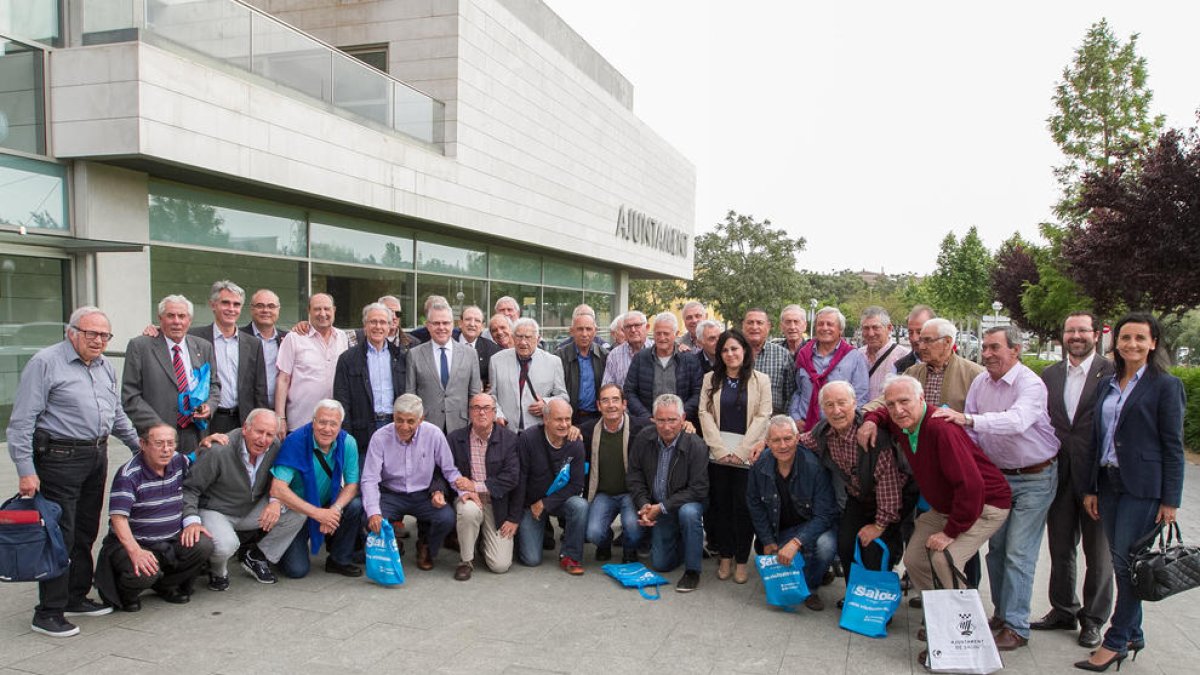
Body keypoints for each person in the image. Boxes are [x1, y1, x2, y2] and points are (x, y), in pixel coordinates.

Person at [6, 307, 141, 636]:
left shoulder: (106, 366)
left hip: (96, 454)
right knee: (59, 535)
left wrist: (139, 446)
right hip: (59, 457)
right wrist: (25, 470)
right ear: (72, 332)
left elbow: (116, 414)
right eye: (91, 333)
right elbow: (22, 421)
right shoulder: (45, 363)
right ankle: (48, 612)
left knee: (85, 530)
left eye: (104, 335)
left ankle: (75, 596)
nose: (98, 341)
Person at [861, 376, 1011, 667]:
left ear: (921, 400)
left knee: (946, 560)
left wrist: (951, 532)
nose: (897, 409)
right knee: (915, 558)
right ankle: (942, 619)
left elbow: (971, 487)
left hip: (984, 505)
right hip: (945, 507)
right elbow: (885, 414)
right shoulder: (904, 422)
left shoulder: (940, 429)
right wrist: (871, 418)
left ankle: (966, 635)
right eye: (891, 404)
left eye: (904, 401)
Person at [931, 325, 1060, 651]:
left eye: (994, 348)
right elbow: (973, 434)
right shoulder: (980, 382)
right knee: (998, 551)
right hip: (999, 479)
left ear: (1015, 351)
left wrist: (969, 420)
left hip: (1035, 477)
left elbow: (1015, 421)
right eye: (984, 348)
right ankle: (1002, 617)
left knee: (1019, 552)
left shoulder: (1031, 384)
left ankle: (1016, 626)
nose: (986, 354)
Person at [1075, 313, 1185, 672]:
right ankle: (1134, 632)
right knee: (1125, 561)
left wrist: (1171, 500)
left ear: (1153, 343)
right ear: (1115, 342)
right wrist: (1090, 487)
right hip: (1108, 483)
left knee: (1124, 566)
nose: (1132, 344)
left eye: (1140, 338)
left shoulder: (1166, 386)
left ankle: (1116, 640)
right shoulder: (1107, 382)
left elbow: (1173, 446)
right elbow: (1097, 438)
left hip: (1143, 488)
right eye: (1125, 338)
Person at [1034, 312, 1115, 649]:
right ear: (1063, 335)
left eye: (1083, 330)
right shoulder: (1049, 374)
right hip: (1059, 473)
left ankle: (1094, 620)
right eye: (1071, 330)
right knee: (1061, 546)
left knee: (1099, 554)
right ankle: (1064, 608)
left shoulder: (1111, 372)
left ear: (1096, 334)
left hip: (1098, 476)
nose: (1076, 335)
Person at [799, 381, 913, 580]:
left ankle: (876, 599)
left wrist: (879, 526)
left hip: (891, 501)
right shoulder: (824, 432)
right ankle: (854, 594)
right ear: (822, 409)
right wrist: (765, 442)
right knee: (845, 544)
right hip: (858, 497)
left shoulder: (873, 437)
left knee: (873, 549)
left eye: (842, 403)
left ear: (855, 403)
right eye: (829, 405)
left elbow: (890, 489)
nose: (837, 411)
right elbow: (799, 440)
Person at [94, 424, 214, 611]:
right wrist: (135, 551)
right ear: (143, 444)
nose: (166, 449)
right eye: (159, 443)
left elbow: (198, 460)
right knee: (143, 569)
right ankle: (126, 592)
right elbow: (118, 518)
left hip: (170, 539)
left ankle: (165, 585)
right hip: (136, 543)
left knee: (203, 544)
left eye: (170, 443)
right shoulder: (129, 475)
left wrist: (206, 445)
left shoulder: (179, 461)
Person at [181, 409, 305, 590]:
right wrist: (191, 521)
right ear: (245, 428)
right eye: (259, 431)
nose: (263, 439)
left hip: (249, 509)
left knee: (298, 510)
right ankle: (217, 572)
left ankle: (256, 556)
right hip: (216, 510)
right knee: (226, 545)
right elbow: (190, 488)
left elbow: (278, 481)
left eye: (269, 434)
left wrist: (275, 502)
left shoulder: (275, 447)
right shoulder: (219, 450)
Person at [698, 329, 772, 583]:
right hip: (718, 455)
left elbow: (764, 416)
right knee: (721, 508)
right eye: (725, 350)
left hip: (747, 455)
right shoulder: (711, 379)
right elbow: (704, 414)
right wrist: (720, 450)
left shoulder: (761, 380)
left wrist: (740, 452)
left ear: (744, 351)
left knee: (743, 509)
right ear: (720, 354)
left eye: (735, 349)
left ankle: (742, 560)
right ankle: (726, 556)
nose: (730, 354)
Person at [361, 394, 466, 572]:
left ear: (421, 419)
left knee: (446, 518)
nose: (404, 426)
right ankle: (393, 543)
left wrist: (464, 492)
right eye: (399, 420)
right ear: (393, 416)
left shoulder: (433, 434)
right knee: (367, 518)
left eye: (411, 421)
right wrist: (373, 512)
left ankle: (426, 547)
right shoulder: (380, 437)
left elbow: (449, 470)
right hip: (390, 493)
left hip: (423, 494)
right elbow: (370, 478)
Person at [747, 415, 839, 610]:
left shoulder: (814, 467)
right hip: (779, 528)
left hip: (811, 526)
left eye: (788, 438)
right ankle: (811, 571)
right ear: (767, 443)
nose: (783, 445)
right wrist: (768, 540)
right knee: (770, 552)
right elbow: (755, 505)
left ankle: (810, 588)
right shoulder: (760, 465)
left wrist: (796, 542)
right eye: (776, 440)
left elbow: (824, 516)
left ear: (798, 439)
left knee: (825, 545)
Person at [270, 400, 365, 578]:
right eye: (322, 422)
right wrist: (317, 513)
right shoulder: (296, 441)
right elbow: (278, 489)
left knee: (355, 506)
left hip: (328, 505)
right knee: (296, 571)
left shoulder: (348, 442)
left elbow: (352, 485)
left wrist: (334, 510)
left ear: (340, 425)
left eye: (333, 424)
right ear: (313, 421)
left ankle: (339, 559)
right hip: (296, 511)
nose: (327, 429)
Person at [626, 394, 709, 592]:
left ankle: (692, 571)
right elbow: (634, 476)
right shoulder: (644, 438)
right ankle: (686, 540)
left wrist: (662, 507)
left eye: (672, 420)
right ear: (653, 419)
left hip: (684, 504)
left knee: (688, 514)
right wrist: (644, 503)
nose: (666, 426)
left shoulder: (696, 445)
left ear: (683, 419)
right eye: (661, 420)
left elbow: (699, 489)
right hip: (655, 505)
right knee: (661, 564)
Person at [123, 295, 221, 455]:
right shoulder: (140, 347)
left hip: (195, 434)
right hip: (156, 437)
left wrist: (209, 407)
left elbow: (214, 385)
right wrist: (158, 428)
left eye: (182, 316)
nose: (177, 321)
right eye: (170, 316)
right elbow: (130, 397)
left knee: (192, 479)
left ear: (189, 320)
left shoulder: (203, 347)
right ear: (160, 319)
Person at [445, 393, 521, 579]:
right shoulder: (455, 439)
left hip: (498, 504)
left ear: (495, 413)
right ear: (469, 412)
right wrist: (464, 490)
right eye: (476, 408)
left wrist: (513, 518)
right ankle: (466, 561)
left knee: (500, 565)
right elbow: (445, 471)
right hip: (470, 501)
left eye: (486, 408)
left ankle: (480, 540)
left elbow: (512, 478)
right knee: (469, 511)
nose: (481, 412)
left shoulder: (510, 440)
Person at [513, 399, 589, 574]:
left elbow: (577, 485)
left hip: (557, 501)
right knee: (531, 559)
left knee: (580, 505)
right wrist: (515, 516)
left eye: (568, 419)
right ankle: (525, 535)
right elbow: (521, 478)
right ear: (545, 420)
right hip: (531, 503)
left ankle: (570, 556)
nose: (564, 424)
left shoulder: (575, 442)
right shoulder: (528, 438)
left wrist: (545, 503)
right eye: (558, 419)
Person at [580, 384, 653, 562]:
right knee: (593, 533)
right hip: (603, 494)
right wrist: (573, 429)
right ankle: (604, 543)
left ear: (624, 404)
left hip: (630, 493)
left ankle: (630, 549)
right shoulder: (588, 430)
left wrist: (687, 424)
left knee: (633, 528)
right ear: (598, 406)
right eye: (605, 400)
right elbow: (566, 429)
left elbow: (667, 425)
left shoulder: (641, 427)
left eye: (615, 400)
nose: (611, 405)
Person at [186, 280, 268, 434]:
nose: (231, 309)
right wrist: (154, 331)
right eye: (225, 303)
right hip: (207, 419)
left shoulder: (253, 344)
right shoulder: (193, 338)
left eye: (236, 304)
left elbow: (260, 389)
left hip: (242, 420)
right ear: (213, 305)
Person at [334, 303, 408, 457]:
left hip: (394, 426)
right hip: (362, 430)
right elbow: (342, 400)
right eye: (373, 322)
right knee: (364, 477)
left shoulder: (401, 357)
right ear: (364, 325)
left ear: (389, 326)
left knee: (393, 477)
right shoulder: (348, 359)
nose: (378, 327)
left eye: (383, 322)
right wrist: (346, 435)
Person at [275, 293, 348, 434]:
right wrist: (280, 417)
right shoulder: (294, 338)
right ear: (309, 311)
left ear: (334, 310)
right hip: (300, 421)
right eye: (317, 309)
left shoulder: (343, 337)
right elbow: (283, 379)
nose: (322, 314)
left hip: (333, 423)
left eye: (327, 309)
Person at [406, 301, 482, 434]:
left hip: (461, 425)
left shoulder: (470, 354)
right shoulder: (415, 354)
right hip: (426, 425)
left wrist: (473, 423)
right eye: (436, 323)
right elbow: (410, 395)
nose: (441, 327)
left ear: (453, 325)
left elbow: (474, 394)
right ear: (428, 326)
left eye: (446, 323)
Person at [790, 307, 869, 431]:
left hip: (839, 430)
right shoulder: (803, 355)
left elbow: (860, 397)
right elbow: (797, 390)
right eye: (820, 324)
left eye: (830, 324)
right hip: (806, 428)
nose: (825, 328)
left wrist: (845, 426)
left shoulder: (854, 357)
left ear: (840, 330)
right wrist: (795, 416)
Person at [624, 312, 703, 425]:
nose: (661, 338)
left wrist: (680, 415)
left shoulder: (689, 360)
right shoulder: (640, 358)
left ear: (676, 334)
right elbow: (629, 391)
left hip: (680, 424)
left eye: (666, 333)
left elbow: (698, 393)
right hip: (647, 424)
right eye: (658, 333)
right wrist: (646, 417)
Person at [490, 318, 568, 431]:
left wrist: (547, 404)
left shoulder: (553, 362)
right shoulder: (496, 360)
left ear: (538, 339)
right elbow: (492, 395)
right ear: (512, 337)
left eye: (528, 337)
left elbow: (563, 397)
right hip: (506, 430)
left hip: (539, 432)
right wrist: (498, 415)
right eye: (519, 337)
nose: (523, 342)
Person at [556, 312, 607, 425]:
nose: (584, 334)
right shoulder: (559, 357)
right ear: (572, 331)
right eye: (580, 329)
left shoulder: (605, 356)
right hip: (568, 418)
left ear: (595, 331)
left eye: (588, 329)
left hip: (597, 418)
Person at [742, 308, 795, 415]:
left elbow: (790, 394)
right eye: (750, 322)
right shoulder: (732, 353)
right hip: (739, 418)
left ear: (768, 327)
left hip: (771, 420)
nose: (754, 327)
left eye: (759, 323)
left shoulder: (782, 355)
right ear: (743, 326)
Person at [242, 289, 287, 409]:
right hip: (247, 411)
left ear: (278, 310)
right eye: (260, 306)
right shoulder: (239, 338)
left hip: (281, 412)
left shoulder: (287, 339)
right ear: (251, 309)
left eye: (271, 306)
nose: (265, 310)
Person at [858, 306, 910, 401]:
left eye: (876, 328)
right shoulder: (857, 355)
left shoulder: (903, 356)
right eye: (866, 328)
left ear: (889, 328)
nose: (871, 333)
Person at [458, 305, 501, 391]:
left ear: (482, 326)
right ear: (460, 323)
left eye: (477, 321)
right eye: (468, 319)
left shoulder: (492, 349)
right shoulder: (447, 343)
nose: (472, 324)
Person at [602, 310, 648, 387]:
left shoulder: (657, 350)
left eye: (637, 325)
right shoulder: (614, 355)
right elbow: (607, 387)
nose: (633, 330)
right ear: (624, 331)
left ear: (647, 327)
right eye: (628, 327)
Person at [893, 305, 934, 374]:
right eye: (910, 332)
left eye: (919, 332)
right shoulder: (899, 367)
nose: (914, 339)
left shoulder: (951, 366)